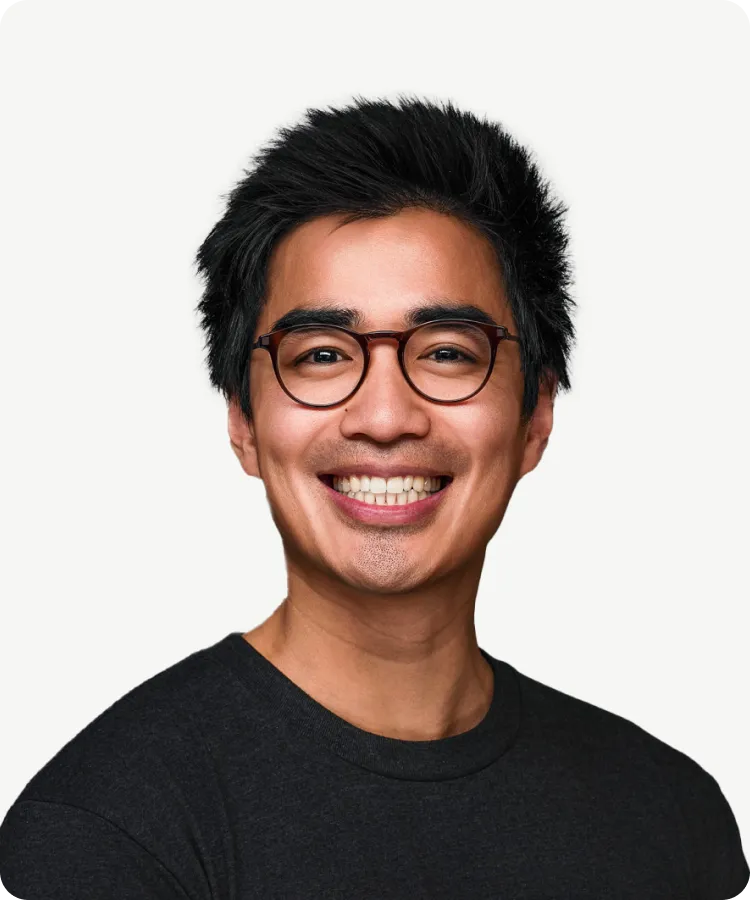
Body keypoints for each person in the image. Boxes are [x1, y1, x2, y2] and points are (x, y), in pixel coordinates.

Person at [1, 95, 747, 898]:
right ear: (244, 423)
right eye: (321, 354)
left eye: (449, 353)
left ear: (535, 416)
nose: (385, 417)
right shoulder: (107, 834)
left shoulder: (672, 817)